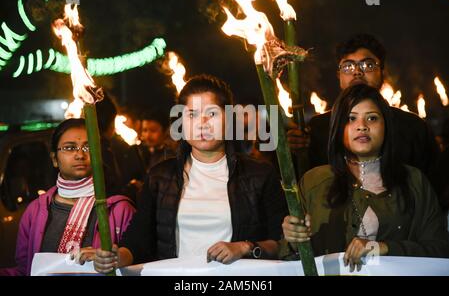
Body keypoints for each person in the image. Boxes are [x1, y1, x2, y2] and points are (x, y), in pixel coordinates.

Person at [93, 74, 288, 273]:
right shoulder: (160, 177)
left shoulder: (259, 175)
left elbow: (281, 243)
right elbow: (138, 241)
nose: (202, 123)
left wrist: (244, 247)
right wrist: (117, 257)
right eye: (192, 115)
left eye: (212, 114)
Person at [280, 84, 449, 272]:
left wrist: (385, 248)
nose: (362, 126)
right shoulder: (313, 181)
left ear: (386, 126)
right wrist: (293, 240)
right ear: (338, 127)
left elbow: (440, 250)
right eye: (351, 119)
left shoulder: (414, 181)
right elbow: (289, 260)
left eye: (372, 118)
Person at [288, 33, 439, 178]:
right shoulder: (319, 128)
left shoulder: (414, 127)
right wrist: (296, 151)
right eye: (348, 66)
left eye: (368, 65)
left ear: (382, 72)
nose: (357, 72)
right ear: (338, 75)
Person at [0, 118, 135, 276]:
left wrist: (118, 258)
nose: (80, 155)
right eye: (69, 148)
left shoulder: (120, 210)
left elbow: (137, 262)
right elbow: (25, 270)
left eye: (88, 147)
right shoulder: (35, 211)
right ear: (54, 159)